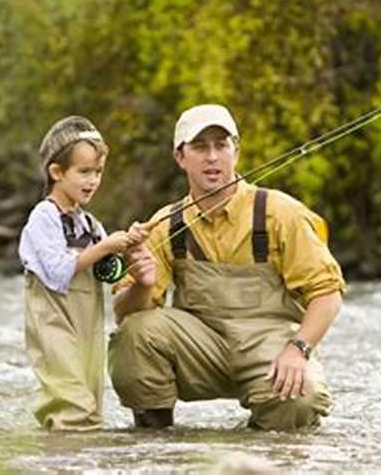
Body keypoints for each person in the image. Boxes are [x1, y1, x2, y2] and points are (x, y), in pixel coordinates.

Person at [109, 104, 346, 431]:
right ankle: (156, 444)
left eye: (221, 145)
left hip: (271, 345)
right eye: (200, 147)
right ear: (180, 157)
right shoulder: (163, 225)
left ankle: (256, 453)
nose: (212, 157)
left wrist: (298, 349)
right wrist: (141, 285)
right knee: (134, 334)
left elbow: (328, 295)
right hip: (200, 350)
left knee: (301, 398)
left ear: (236, 150)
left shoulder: (282, 213)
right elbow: (124, 313)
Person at [18, 115, 148, 431]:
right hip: (54, 326)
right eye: (84, 172)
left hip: (87, 329)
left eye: (99, 172)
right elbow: (59, 272)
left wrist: (128, 249)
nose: (93, 180)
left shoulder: (89, 224)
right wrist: (105, 246)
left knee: (91, 409)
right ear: (56, 172)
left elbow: (108, 273)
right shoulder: (43, 218)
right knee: (72, 409)